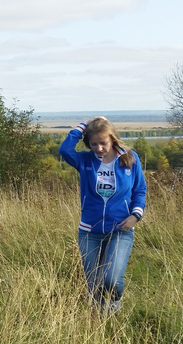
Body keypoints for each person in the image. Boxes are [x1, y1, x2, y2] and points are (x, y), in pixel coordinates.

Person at [58, 117, 147, 314]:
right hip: (90, 231)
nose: (99, 148)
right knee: (94, 283)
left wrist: (136, 216)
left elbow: (140, 190)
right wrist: (84, 125)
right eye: (94, 144)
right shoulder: (85, 160)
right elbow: (64, 150)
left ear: (113, 139)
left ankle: (114, 305)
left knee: (112, 280)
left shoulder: (130, 158)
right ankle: (98, 320)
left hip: (120, 229)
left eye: (103, 143)